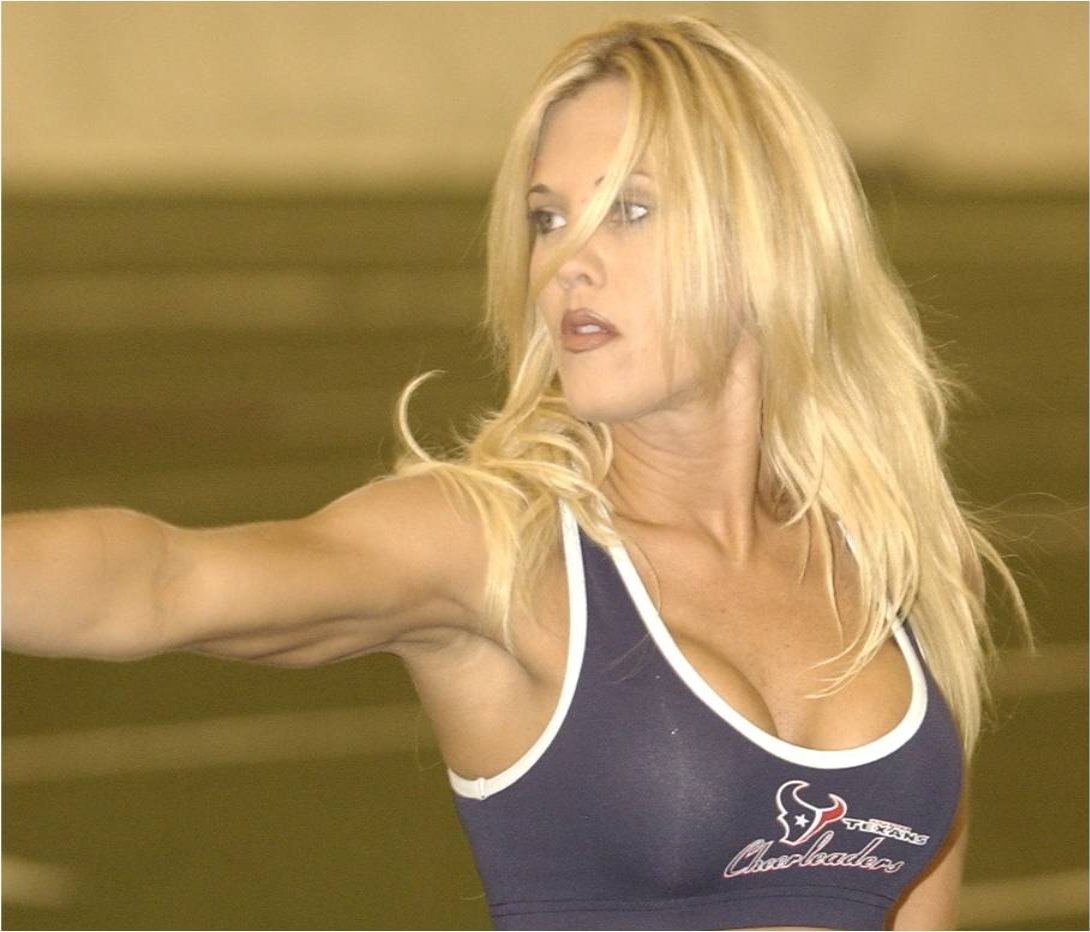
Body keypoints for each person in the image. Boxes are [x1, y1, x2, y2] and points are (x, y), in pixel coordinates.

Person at [4, 16, 1027, 932]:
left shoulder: (902, 561)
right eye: (547, 217)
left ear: (768, 237)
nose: (566, 260)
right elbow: (161, 578)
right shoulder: (496, 547)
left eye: (630, 210)